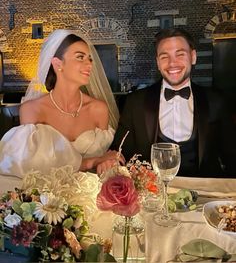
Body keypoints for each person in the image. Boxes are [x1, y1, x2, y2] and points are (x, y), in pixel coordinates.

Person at [0, 29, 123, 190]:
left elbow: (104, 163)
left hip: (93, 195)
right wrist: (91, 162)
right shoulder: (32, 110)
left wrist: (108, 162)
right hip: (48, 200)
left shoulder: (98, 109)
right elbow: (32, 168)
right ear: (58, 64)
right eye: (80, 57)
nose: (89, 64)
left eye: (89, 58)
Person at [112, 28, 236, 178]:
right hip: (152, 195)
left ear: (193, 57)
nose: (172, 63)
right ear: (158, 62)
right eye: (165, 57)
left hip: (205, 195)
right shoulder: (135, 102)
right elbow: (119, 154)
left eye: (180, 54)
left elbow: (232, 157)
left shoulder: (216, 101)